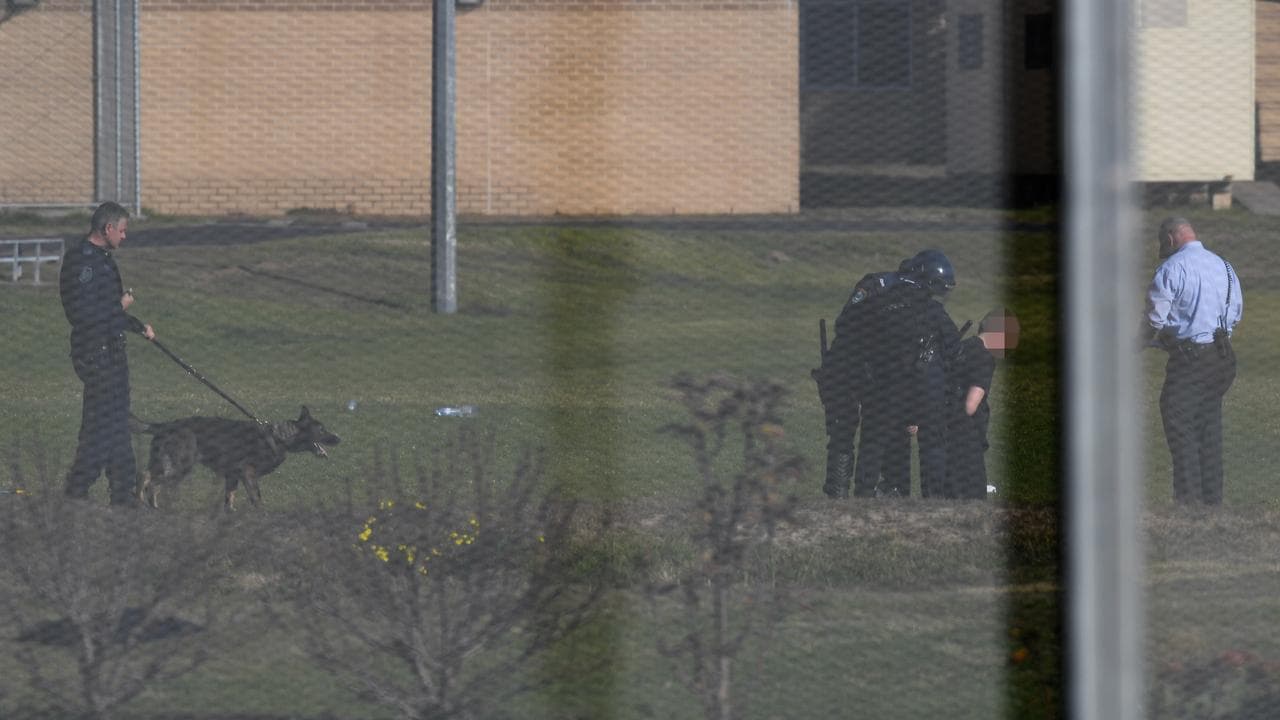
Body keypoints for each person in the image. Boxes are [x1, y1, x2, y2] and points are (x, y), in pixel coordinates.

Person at [59, 202, 156, 506]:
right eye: (123, 230)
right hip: (95, 353)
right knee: (107, 424)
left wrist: (138, 326)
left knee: (113, 421)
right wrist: (120, 306)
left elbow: (109, 312)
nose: (125, 236)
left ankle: (116, 492)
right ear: (108, 228)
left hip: (112, 351)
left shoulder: (103, 259)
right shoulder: (82, 262)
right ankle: (87, 489)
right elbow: (84, 314)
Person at [1143, 217, 1242, 505]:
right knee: (1208, 424)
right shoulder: (1224, 266)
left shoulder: (1172, 268)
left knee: (1178, 417)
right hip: (1222, 358)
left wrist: (1138, 342)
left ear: (1170, 239)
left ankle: (1188, 501)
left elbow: (1154, 319)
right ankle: (1212, 500)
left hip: (1192, 360)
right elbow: (1235, 313)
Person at [853, 250, 960, 498]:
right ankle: (933, 498)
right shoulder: (934, 310)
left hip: (886, 386)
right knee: (933, 443)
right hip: (928, 387)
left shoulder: (881, 306)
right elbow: (954, 349)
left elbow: (861, 343)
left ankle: (863, 495)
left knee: (873, 440)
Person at [815, 262, 913, 498]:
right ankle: (840, 490)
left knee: (870, 430)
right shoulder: (879, 288)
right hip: (849, 369)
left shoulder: (884, 289)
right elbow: (845, 323)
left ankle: (860, 491)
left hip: (871, 372)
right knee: (846, 428)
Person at [941, 308, 1019, 499]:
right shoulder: (985, 358)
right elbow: (970, 405)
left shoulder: (964, 346)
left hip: (944, 424)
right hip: (966, 433)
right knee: (971, 496)